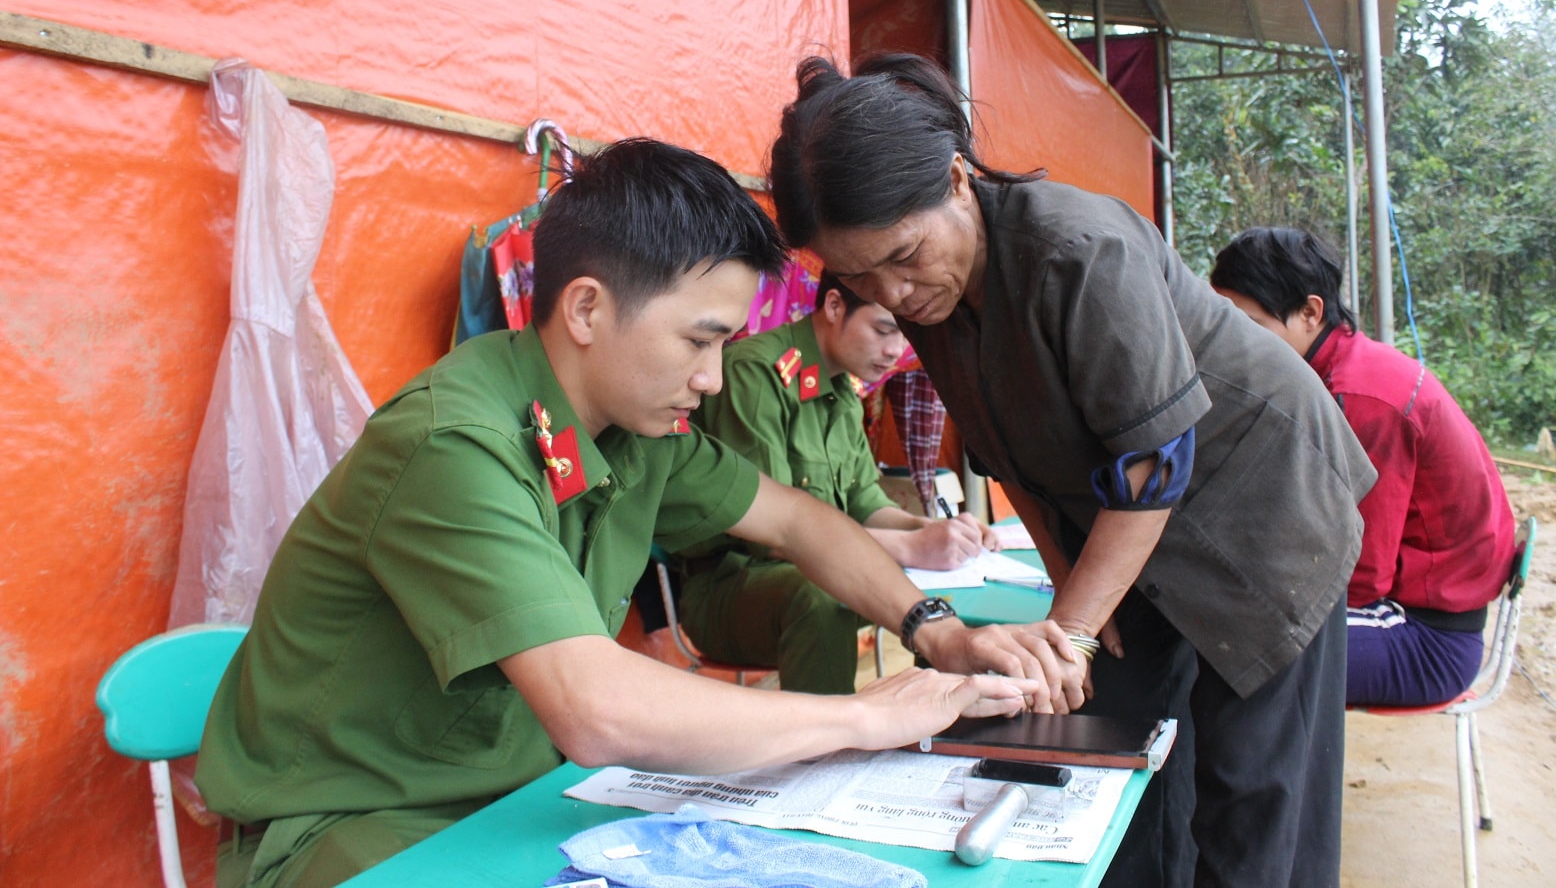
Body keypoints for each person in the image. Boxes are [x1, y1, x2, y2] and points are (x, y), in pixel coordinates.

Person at [195, 138, 1059, 888]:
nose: (715, 377)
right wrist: (865, 717)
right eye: (699, 339)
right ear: (585, 309)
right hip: (356, 831)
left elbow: (799, 520)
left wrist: (935, 628)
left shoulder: (634, 431)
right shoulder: (452, 444)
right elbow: (594, 710)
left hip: (515, 799)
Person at [766, 53, 1378, 888]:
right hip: (1133, 533)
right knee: (1113, 761)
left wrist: (1078, 628)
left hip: (1264, 509)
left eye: (903, 255)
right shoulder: (940, 305)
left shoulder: (1078, 251)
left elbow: (1158, 460)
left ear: (955, 179)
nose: (894, 292)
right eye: (859, 275)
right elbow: (1007, 454)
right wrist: (1071, 596)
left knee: (1252, 795)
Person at [1211, 226, 1516, 707]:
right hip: (1402, 612)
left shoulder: (1360, 398)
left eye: (1251, 324)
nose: (1235, 344)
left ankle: (1276, 784)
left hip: (1424, 636)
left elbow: (1358, 574)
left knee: (1229, 651)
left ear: (1311, 312)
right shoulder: (1329, 372)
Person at [679, 269, 1000, 694]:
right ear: (834, 307)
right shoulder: (754, 375)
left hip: (802, 574)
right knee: (823, 594)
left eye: (905, 336)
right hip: (730, 587)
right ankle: (827, 750)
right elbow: (771, 537)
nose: (896, 351)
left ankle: (946, 728)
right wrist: (910, 547)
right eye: (885, 330)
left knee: (940, 592)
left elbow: (867, 502)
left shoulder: (842, 389)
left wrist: (934, 531)